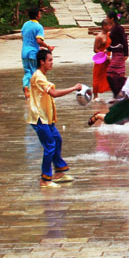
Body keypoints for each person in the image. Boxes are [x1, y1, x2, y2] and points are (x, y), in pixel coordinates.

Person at [28, 49, 83, 188]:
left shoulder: (42, 75)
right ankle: (45, 179)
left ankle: (59, 171)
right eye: (50, 60)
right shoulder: (38, 77)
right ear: (42, 62)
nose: (52, 63)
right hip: (39, 118)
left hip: (47, 118)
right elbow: (54, 93)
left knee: (57, 140)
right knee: (50, 146)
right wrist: (74, 88)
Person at [21, 7, 54, 99]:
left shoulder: (25, 24)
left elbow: (23, 38)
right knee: (34, 72)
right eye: (40, 13)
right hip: (33, 53)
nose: (41, 15)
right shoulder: (38, 27)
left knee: (27, 72)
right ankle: (32, 90)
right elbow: (38, 40)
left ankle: (26, 87)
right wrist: (48, 47)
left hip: (24, 52)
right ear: (36, 16)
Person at [106, 11, 129, 97]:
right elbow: (114, 42)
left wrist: (126, 54)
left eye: (107, 17)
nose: (106, 19)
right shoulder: (113, 27)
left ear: (112, 19)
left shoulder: (119, 28)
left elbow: (124, 40)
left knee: (111, 73)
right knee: (117, 74)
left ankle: (121, 93)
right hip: (115, 53)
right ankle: (119, 94)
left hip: (120, 54)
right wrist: (108, 49)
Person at [92, 19, 112, 102]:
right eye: (108, 25)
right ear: (104, 26)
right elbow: (95, 49)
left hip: (108, 58)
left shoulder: (109, 34)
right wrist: (103, 55)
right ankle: (95, 96)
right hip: (100, 59)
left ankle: (115, 93)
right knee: (97, 76)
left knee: (111, 75)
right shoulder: (99, 37)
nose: (110, 27)